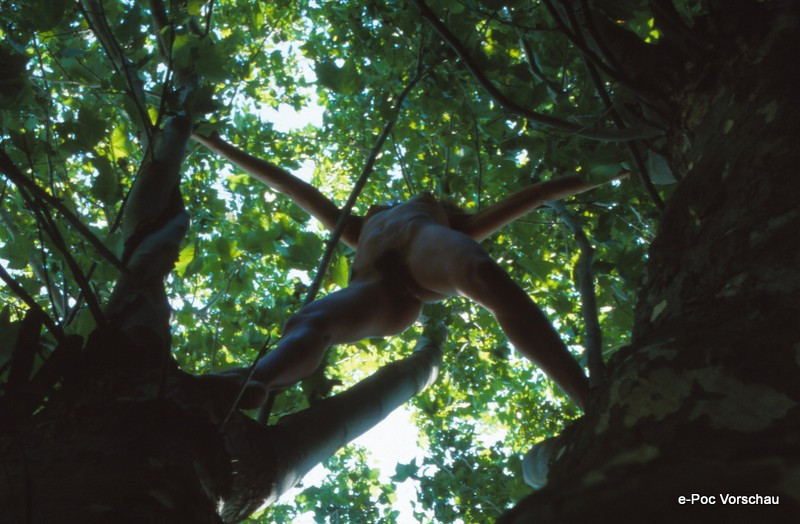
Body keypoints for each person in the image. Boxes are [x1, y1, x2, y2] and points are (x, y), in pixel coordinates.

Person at [194, 132, 626, 410]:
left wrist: (617, 165)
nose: (385, 206)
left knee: (482, 274)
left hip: (424, 252)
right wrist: (217, 144)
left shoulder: (449, 223)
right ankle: (253, 381)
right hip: (374, 289)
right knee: (310, 321)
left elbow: (537, 194)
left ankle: (586, 395)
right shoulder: (359, 230)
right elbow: (291, 186)